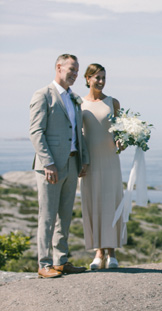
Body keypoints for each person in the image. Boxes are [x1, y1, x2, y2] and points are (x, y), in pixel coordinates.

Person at [28, 54, 89, 278]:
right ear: (58, 67)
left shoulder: (74, 98)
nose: (74, 74)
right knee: (47, 216)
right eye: (71, 69)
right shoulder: (43, 94)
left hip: (72, 163)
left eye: (77, 71)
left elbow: (78, 133)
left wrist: (83, 160)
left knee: (64, 215)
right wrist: (49, 163)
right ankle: (44, 263)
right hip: (50, 167)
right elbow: (36, 132)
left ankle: (61, 261)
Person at [79, 63, 126, 269]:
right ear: (87, 78)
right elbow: (77, 135)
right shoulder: (78, 103)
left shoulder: (113, 102)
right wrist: (79, 160)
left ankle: (112, 252)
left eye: (103, 77)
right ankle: (98, 252)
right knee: (94, 202)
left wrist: (121, 141)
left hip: (110, 159)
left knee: (111, 202)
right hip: (89, 160)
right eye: (96, 77)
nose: (100, 81)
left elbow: (120, 131)